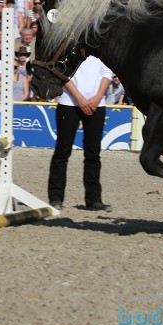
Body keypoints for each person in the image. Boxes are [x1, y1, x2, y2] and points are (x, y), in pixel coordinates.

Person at [47, 54, 113, 211]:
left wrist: (97, 98)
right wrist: (80, 99)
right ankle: (56, 198)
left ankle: (94, 199)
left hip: (96, 104)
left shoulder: (101, 48)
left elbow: (107, 72)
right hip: (69, 102)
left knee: (93, 153)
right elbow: (62, 73)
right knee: (62, 151)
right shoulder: (70, 48)